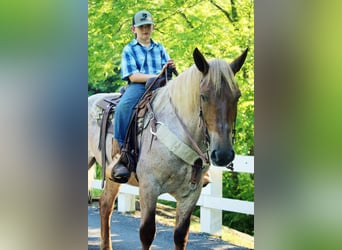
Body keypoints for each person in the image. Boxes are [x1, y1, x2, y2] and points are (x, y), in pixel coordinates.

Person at [110, 10, 176, 183]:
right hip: (139, 85)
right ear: (134, 29)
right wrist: (155, 76)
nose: (145, 29)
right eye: (141, 27)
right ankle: (121, 151)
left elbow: (166, 70)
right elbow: (133, 76)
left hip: (161, 85)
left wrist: (169, 67)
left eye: (148, 26)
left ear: (153, 27)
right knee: (123, 107)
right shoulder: (129, 49)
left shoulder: (160, 47)